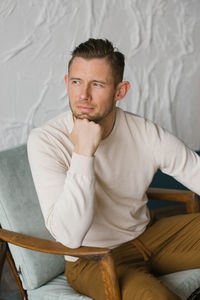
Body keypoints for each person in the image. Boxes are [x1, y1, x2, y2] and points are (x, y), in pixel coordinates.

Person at [27, 38, 200, 300]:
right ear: (67, 83)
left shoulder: (143, 132)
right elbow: (70, 237)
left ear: (120, 91)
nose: (83, 95)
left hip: (150, 236)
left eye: (97, 84)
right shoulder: (45, 140)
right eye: (76, 82)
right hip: (93, 259)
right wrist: (84, 153)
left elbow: (195, 170)